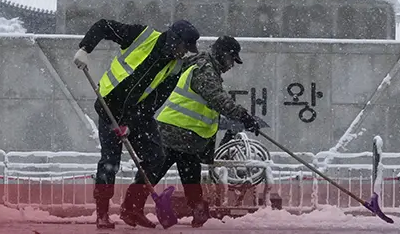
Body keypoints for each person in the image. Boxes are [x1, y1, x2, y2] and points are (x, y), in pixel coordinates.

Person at [120, 35, 263, 228]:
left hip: (187, 135)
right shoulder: (204, 69)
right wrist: (244, 116)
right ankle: (133, 208)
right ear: (222, 54)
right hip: (174, 130)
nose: (231, 65)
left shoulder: (204, 67)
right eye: (231, 60)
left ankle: (195, 209)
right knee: (156, 170)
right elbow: (217, 99)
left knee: (186, 172)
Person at [73, 18, 201, 230]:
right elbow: (104, 25)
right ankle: (102, 214)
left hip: (138, 114)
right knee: (109, 162)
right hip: (109, 107)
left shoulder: (175, 66)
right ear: (173, 40)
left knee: (156, 157)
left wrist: (131, 123)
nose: (184, 53)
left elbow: (156, 99)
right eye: (183, 47)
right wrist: (85, 49)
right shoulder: (142, 36)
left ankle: (132, 208)